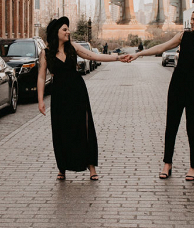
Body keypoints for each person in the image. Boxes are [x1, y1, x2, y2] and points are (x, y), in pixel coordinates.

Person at [129, 9, 194, 181]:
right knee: (171, 126)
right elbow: (162, 47)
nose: (191, 22)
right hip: (177, 85)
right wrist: (139, 54)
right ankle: (167, 164)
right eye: (191, 19)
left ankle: (193, 166)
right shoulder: (183, 36)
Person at [38, 17, 130, 181]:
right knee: (61, 130)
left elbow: (94, 57)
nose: (68, 32)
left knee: (84, 128)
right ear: (56, 32)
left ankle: (91, 167)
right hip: (59, 96)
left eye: (68, 29)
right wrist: (40, 100)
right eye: (64, 29)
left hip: (77, 93)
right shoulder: (46, 53)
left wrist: (118, 58)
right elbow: (41, 77)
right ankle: (62, 168)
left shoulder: (72, 47)